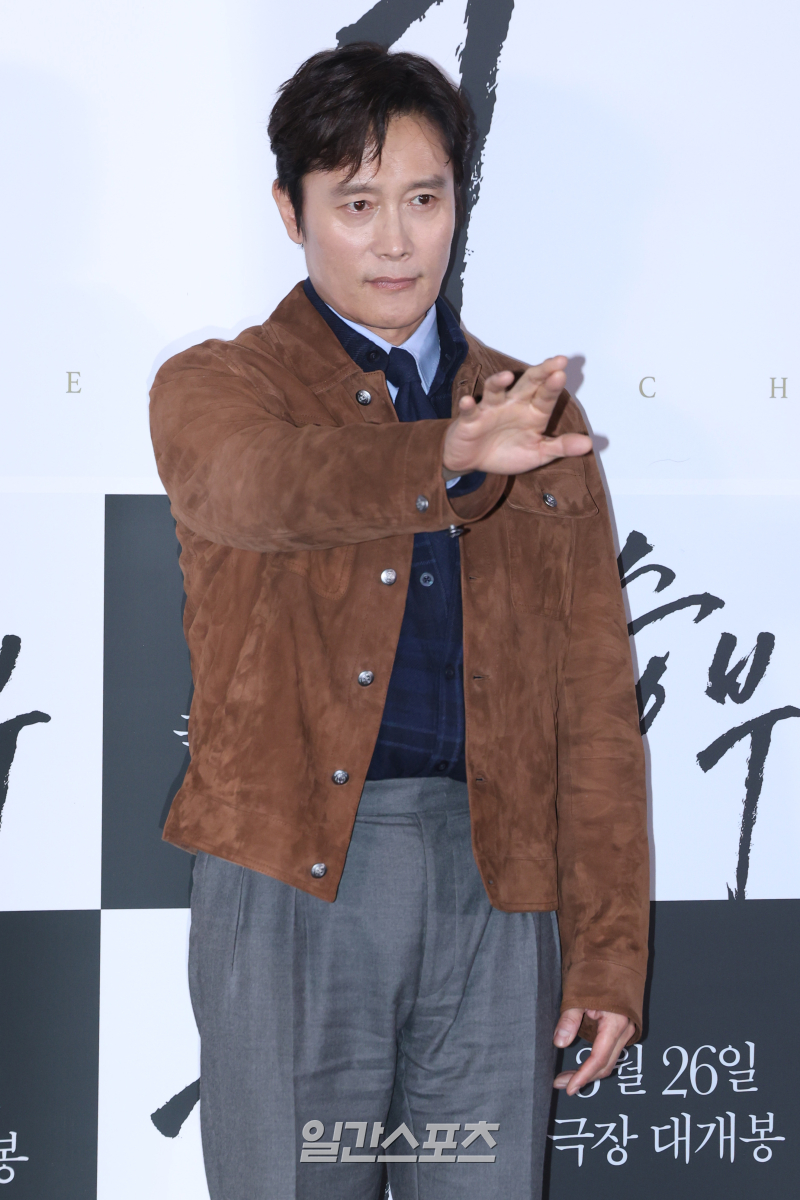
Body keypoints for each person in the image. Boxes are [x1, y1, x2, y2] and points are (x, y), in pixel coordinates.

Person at [149, 41, 649, 1200]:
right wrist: (447, 456)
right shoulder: (220, 387)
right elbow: (262, 490)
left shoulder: (534, 413)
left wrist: (607, 945)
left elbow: (591, 699)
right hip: (290, 875)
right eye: (356, 203)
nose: (393, 241)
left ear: (457, 206)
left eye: (423, 201)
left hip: (494, 883)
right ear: (291, 211)